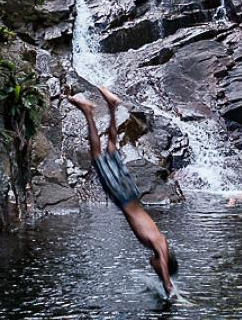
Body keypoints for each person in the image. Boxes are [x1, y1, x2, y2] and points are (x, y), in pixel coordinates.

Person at [64, 85, 178, 298]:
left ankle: (112, 106)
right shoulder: (160, 245)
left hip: (132, 193)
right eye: (157, 268)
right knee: (97, 155)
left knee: (112, 148)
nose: (153, 267)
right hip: (123, 197)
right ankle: (88, 111)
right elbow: (162, 261)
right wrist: (167, 285)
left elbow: (162, 259)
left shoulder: (162, 240)